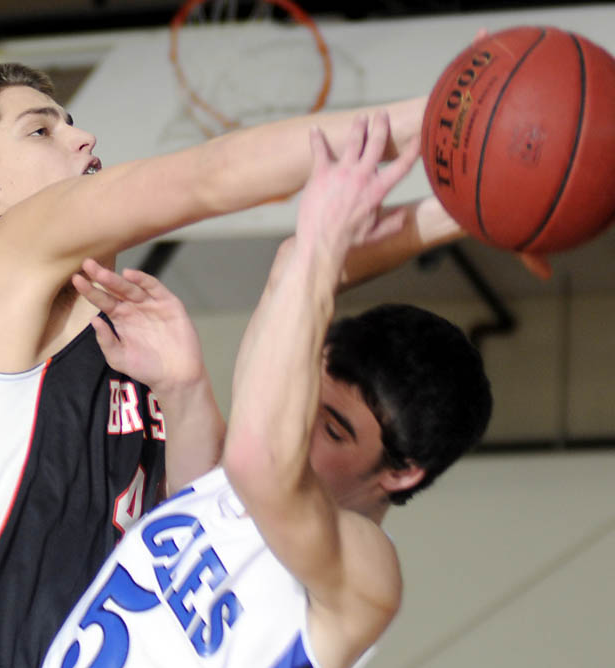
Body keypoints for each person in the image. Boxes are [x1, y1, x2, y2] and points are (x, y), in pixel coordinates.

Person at [0, 61, 470, 668]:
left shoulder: (112, 346)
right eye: (41, 131)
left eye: (70, 122)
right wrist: (450, 116)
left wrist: (185, 391)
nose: (83, 137)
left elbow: (198, 529)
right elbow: (210, 177)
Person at [42, 113, 492, 668]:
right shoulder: (231, 490)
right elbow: (290, 268)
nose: (295, 425)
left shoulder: (366, 575)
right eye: (304, 396)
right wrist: (481, 207)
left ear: (400, 473)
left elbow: (260, 461)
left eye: (333, 429)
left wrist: (322, 247)